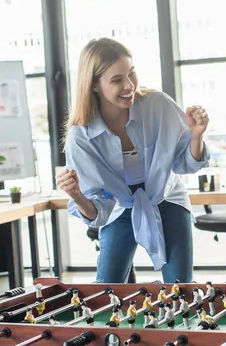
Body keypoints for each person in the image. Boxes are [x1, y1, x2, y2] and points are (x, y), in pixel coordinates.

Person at [56, 38, 210, 283]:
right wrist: (75, 194)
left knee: (180, 290)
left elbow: (185, 164)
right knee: (106, 289)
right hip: (119, 208)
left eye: (132, 74)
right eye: (117, 80)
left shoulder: (157, 104)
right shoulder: (81, 135)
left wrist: (196, 137)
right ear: (94, 84)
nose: (129, 86)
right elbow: (99, 213)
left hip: (167, 199)